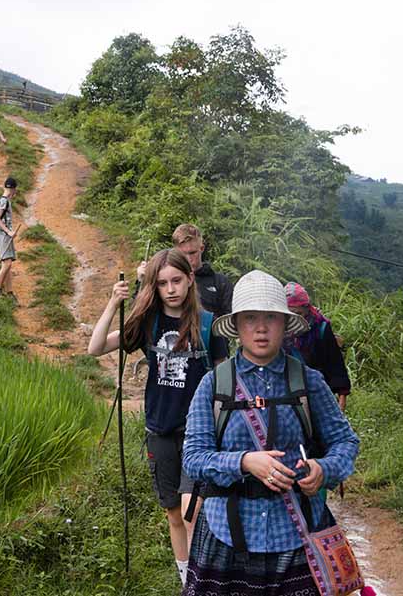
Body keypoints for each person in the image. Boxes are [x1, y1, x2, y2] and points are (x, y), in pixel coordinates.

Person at [181, 270, 360, 595]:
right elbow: (193, 458)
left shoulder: (309, 382)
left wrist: (324, 469)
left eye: (270, 318)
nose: (260, 328)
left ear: (284, 324)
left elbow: (345, 442)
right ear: (236, 326)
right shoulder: (214, 385)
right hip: (227, 535)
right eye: (250, 318)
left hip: (296, 533)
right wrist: (245, 462)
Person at [88, 249, 228, 586]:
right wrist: (113, 304)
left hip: (199, 433)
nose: (171, 289)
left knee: (191, 510)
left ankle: (200, 582)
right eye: (163, 283)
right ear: (155, 286)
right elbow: (95, 348)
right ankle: (186, 579)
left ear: (190, 279)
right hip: (160, 429)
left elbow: (225, 383)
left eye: (177, 280)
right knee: (173, 512)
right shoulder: (149, 324)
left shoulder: (209, 326)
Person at [283, 282, 351, 411]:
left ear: (307, 309)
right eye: (289, 315)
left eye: (298, 314)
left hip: (317, 389)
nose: (294, 320)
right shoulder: (278, 328)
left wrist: (342, 396)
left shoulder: (320, 327)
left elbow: (334, 361)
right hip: (287, 390)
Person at [137, 224, 233, 315]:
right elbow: (140, 313)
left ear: (202, 248)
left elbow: (229, 321)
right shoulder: (164, 279)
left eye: (192, 253)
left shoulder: (220, 282)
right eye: (183, 254)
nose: (188, 259)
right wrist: (143, 281)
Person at [0, 177, 18, 299]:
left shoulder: (4, 200)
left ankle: (9, 292)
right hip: (3, 235)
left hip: (3, 235)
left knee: (7, 263)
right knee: (7, 263)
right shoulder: (4, 201)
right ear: (14, 189)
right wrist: (9, 232)